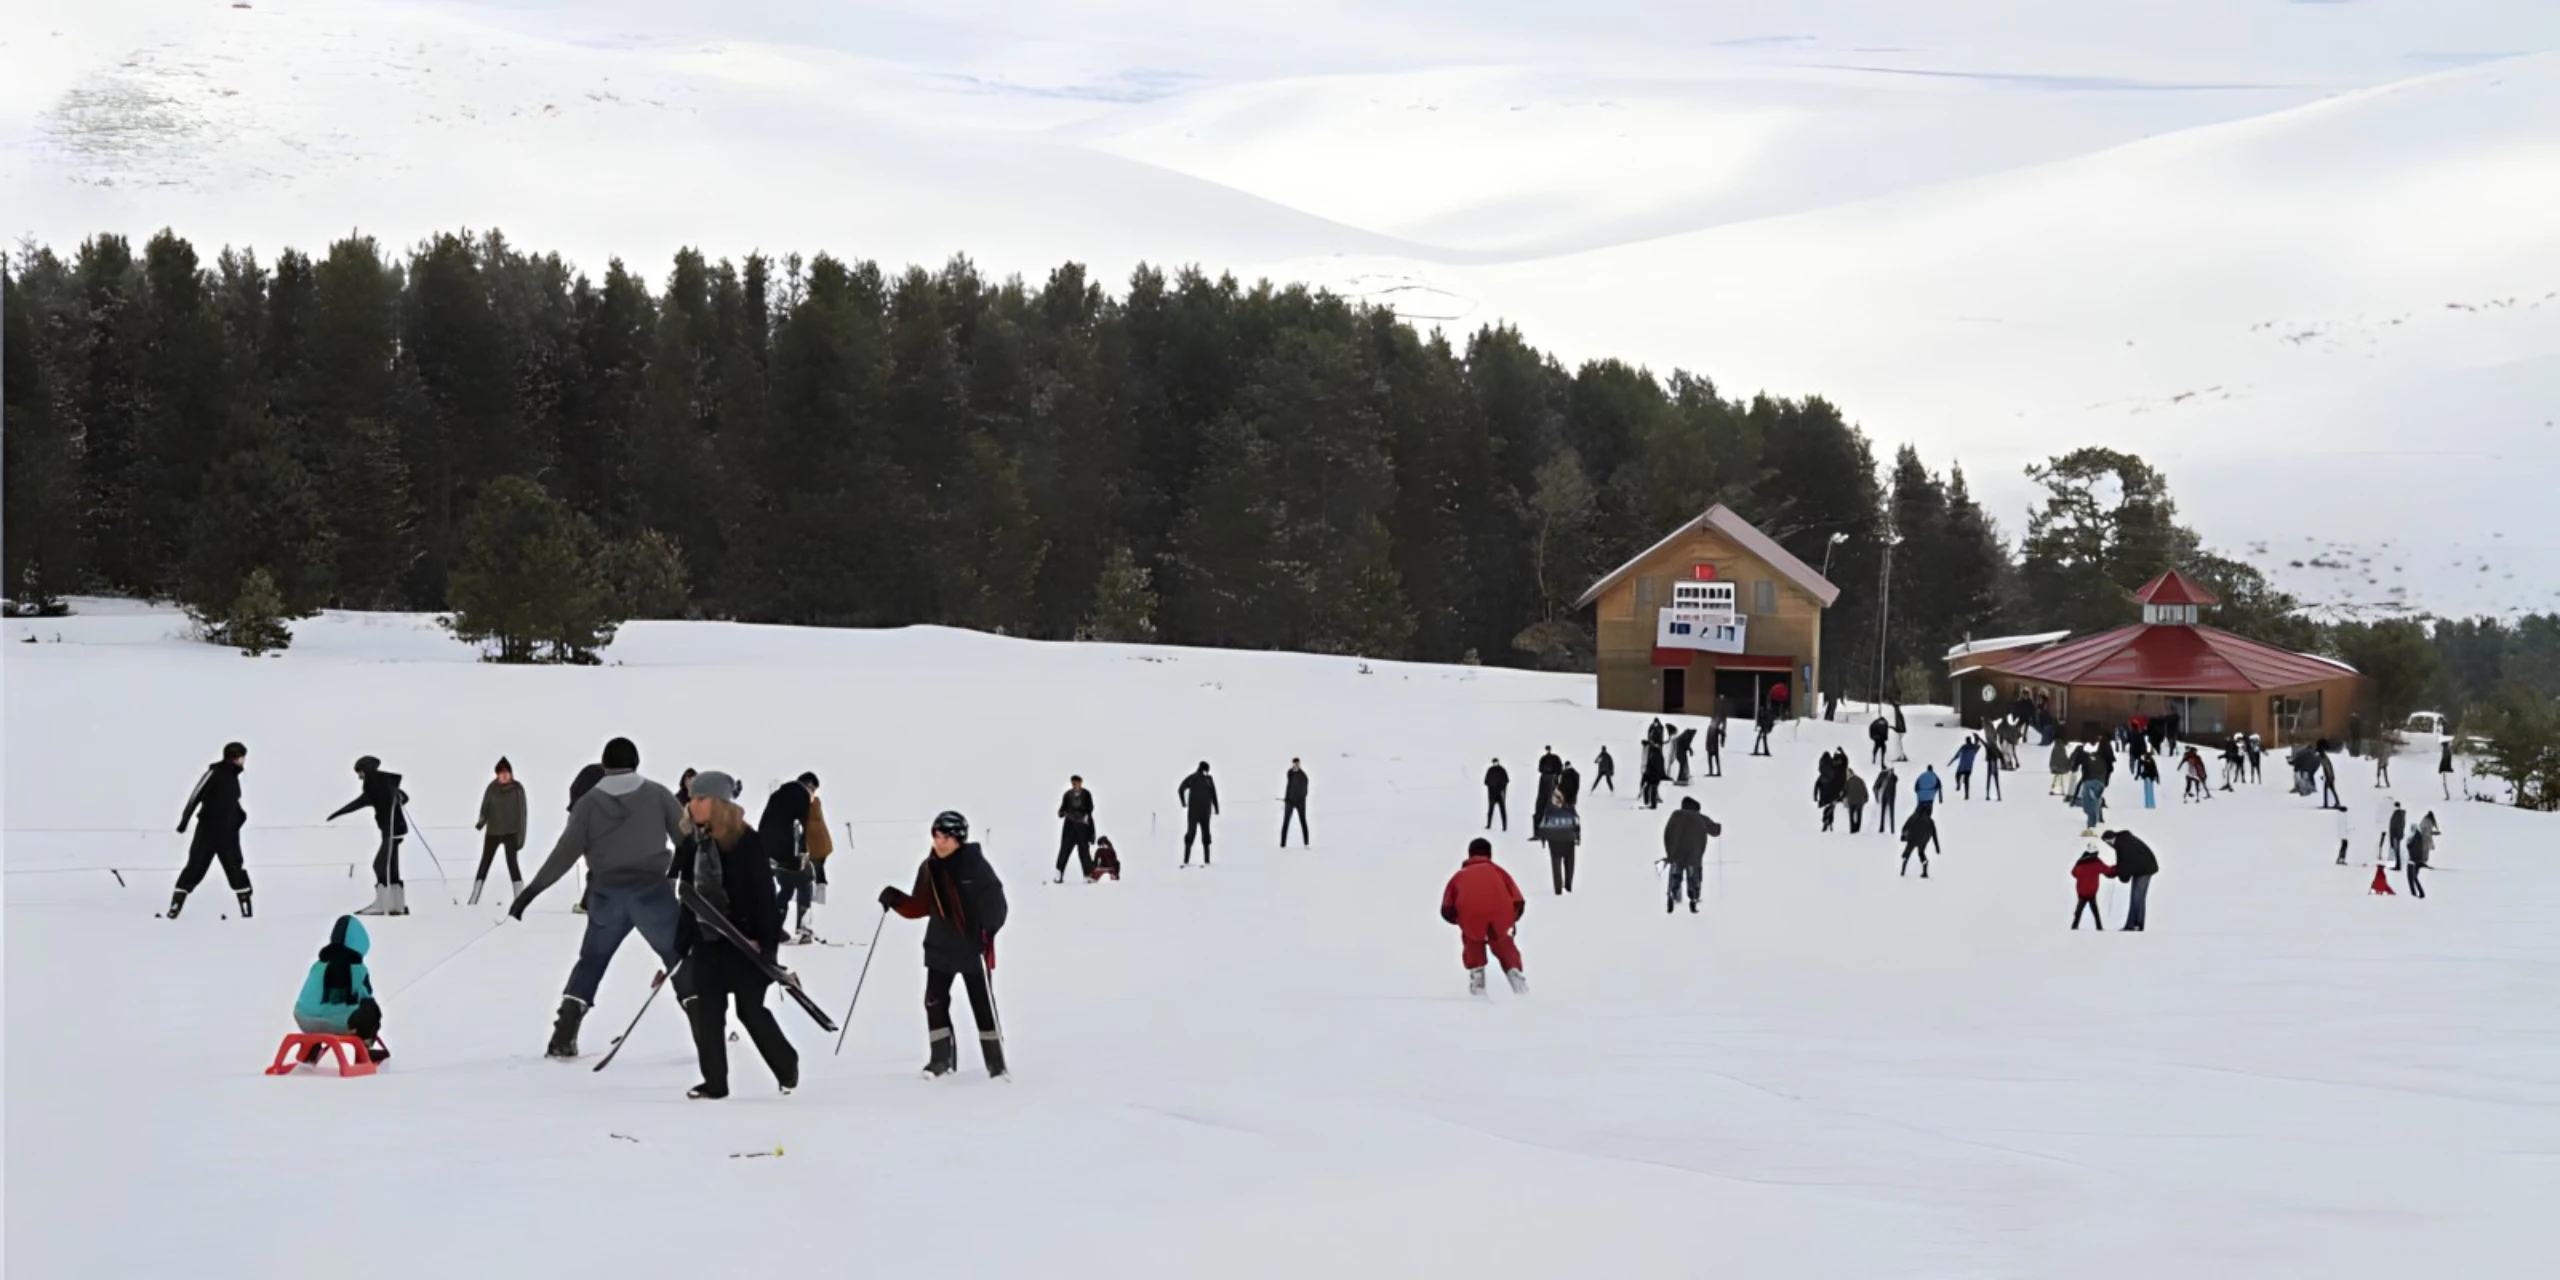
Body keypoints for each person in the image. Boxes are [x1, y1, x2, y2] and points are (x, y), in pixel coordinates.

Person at [512, 737, 688, 1059]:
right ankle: (707, 1030)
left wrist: (530, 893)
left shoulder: (588, 803)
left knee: (592, 960)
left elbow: (563, 855)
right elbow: (687, 843)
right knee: (679, 958)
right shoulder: (659, 794)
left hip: (607, 895)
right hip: (653, 893)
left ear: (605, 765)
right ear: (636, 762)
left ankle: (564, 1034)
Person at [671, 770, 797, 1100]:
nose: (692, 805)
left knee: (750, 1010)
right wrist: (679, 948)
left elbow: (764, 897)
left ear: (719, 804)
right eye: (692, 799)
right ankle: (715, 1083)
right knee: (708, 1012)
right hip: (707, 943)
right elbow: (686, 897)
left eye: (700, 799)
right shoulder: (691, 844)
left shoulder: (747, 842)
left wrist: (766, 945)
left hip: (745, 943)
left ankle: (787, 1066)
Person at [879, 811, 1009, 1079]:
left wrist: (988, 929)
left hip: (970, 947)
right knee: (934, 1003)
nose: (940, 842)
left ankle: (995, 1064)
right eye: (936, 835)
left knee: (981, 1006)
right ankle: (940, 1061)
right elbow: (920, 906)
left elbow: (996, 903)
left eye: (946, 837)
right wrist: (895, 899)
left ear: (959, 838)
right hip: (939, 946)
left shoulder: (975, 866)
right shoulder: (929, 868)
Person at [171, 742, 253, 920]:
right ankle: (174, 908)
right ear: (236, 757)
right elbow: (196, 795)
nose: (244, 760)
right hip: (207, 832)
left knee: (235, 870)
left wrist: (240, 817)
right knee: (194, 868)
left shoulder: (233, 778)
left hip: (228, 833)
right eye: (242, 756)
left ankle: (247, 913)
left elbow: (231, 804)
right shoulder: (214, 773)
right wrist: (184, 822)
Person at [291, 914, 388, 1064]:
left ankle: (310, 1048)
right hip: (340, 1022)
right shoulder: (357, 969)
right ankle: (365, 1049)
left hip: (305, 1020)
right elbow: (365, 996)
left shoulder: (318, 965)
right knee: (370, 1008)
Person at [1439, 838, 1526, 997]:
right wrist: (1511, 920)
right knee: (1504, 942)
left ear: (1470, 854)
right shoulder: (1499, 871)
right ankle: (1514, 973)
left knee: (1472, 940)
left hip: (1471, 917)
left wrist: (1460, 921)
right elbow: (1518, 900)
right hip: (1501, 916)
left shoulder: (1458, 876)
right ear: (1489, 854)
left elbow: (1446, 909)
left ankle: (1477, 976)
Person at [327, 756, 410, 917]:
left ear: (366, 770)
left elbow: (359, 802)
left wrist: (337, 813)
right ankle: (396, 905)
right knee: (391, 866)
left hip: (390, 831)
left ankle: (383, 904)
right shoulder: (386, 783)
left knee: (379, 866)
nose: (359, 778)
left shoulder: (374, 785)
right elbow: (405, 797)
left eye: (360, 773)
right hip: (396, 831)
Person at [760, 773, 832, 941]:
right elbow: (798, 826)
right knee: (805, 883)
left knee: (786, 887)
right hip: (788, 851)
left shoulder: (779, 795)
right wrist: (801, 854)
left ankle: (775, 928)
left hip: (770, 851)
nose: (813, 795)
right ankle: (803, 928)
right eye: (813, 790)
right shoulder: (801, 796)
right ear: (809, 786)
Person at [471, 758, 528, 906]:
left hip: (511, 832)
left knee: (512, 864)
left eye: (506, 772)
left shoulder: (517, 789)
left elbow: (523, 814)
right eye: (500, 773)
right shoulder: (492, 788)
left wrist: (521, 838)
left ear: (511, 773)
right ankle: (474, 897)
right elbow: (485, 806)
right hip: (493, 832)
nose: (503, 776)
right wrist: (481, 822)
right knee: (485, 863)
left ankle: (519, 899)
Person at [1661, 797, 1718, 913]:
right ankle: (1693, 898)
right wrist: (1718, 827)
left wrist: (1669, 852)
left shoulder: (1676, 815)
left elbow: (1668, 831)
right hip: (1694, 855)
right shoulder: (1700, 817)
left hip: (1676, 854)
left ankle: (1673, 894)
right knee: (1694, 878)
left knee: (1675, 875)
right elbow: (1715, 831)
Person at [2101, 830, 2157, 930]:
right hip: (2140, 869)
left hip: (2146, 869)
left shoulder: (2122, 844)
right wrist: (2119, 872)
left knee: (2137, 898)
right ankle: (2132, 924)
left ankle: (2136, 925)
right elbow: (2123, 863)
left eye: (2107, 842)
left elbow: (2126, 864)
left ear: (2111, 839)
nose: (2108, 844)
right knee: (2135, 897)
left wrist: (2120, 874)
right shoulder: (2122, 841)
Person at [1537, 794, 1580, 895]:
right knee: (1570, 863)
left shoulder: (1549, 809)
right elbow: (1576, 822)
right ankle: (1568, 886)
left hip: (1554, 840)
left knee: (1556, 864)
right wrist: (1577, 837)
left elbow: (1544, 824)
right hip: (1568, 839)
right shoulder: (1570, 808)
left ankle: (1558, 889)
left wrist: (1543, 838)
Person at [1179, 762, 1219, 866]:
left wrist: (1216, 807)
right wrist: (1183, 803)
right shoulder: (1194, 778)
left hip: (1205, 812)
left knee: (1206, 835)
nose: (1206, 773)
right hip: (1195, 812)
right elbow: (1181, 789)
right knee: (1191, 834)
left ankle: (1206, 861)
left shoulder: (1209, 780)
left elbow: (1214, 794)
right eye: (1206, 770)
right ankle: (1186, 860)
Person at [1058, 775, 1098, 878]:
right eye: (1073, 783)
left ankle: (1088, 874)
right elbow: (1063, 808)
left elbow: (1091, 807)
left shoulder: (1086, 794)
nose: (1075, 785)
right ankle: (1059, 874)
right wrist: (1061, 812)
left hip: (1082, 826)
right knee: (1065, 850)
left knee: (1084, 850)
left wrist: (1082, 814)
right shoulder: (1067, 795)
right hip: (1070, 826)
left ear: (1081, 783)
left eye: (1077, 783)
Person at [2070, 843, 2113, 930]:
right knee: (2095, 911)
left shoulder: (2080, 862)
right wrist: (2117, 869)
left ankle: (2074, 926)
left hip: (2081, 891)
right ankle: (2099, 927)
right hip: (2092, 892)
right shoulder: (2096, 863)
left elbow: (2074, 873)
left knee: (2079, 909)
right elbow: (2107, 870)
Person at [1898, 809, 1940, 878]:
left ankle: (1903, 871)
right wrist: (1937, 848)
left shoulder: (1914, 816)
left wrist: (1903, 837)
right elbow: (1934, 835)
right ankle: (1925, 871)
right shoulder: (1931, 821)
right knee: (1921, 853)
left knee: (1907, 852)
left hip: (1913, 838)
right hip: (1924, 839)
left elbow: (1905, 826)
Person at [1281, 759, 1311, 847]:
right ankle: (1282, 845)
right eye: (1294, 764)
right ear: (1292, 764)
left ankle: (1306, 844)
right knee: (1285, 822)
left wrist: (1298, 799)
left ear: (1300, 764)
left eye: (1297, 764)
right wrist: (1287, 798)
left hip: (1300, 803)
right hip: (1289, 802)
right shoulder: (1289, 772)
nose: (1296, 765)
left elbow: (1305, 792)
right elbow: (1289, 787)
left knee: (1303, 821)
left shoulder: (1303, 776)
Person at [2405, 813, 2435, 898]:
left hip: (2412, 861)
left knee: (2411, 878)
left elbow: (2409, 847)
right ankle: (2418, 893)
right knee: (2414, 877)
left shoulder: (2413, 837)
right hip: (2417, 860)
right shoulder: (2419, 836)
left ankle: (2415, 894)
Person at [1484, 758, 1510, 830]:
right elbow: (1486, 781)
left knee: (1503, 811)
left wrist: (1502, 788)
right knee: (1490, 811)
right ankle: (1488, 825)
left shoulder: (1502, 770)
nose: (1495, 763)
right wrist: (1491, 786)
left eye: (1496, 762)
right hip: (1492, 794)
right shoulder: (1490, 770)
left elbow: (1506, 781)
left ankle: (1504, 827)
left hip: (1500, 794)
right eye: (1494, 762)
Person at [1638, 742, 1666, 810]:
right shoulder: (1654, 751)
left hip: (1652, 773)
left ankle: (1650, 803)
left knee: (1651, 787)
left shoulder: (1652, 752)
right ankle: (1649, 802)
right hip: (1652, 773)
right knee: (1650, 787)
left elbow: (1651, 763)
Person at [1842, 766, 1869, 834]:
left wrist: (1841, 799)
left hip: (1851, 801)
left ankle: (1852, 830)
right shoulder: (1860, 780)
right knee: (1859, 814)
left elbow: (1844, 792)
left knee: (1851, 815)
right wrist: (1866, 799)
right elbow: (1865, 790)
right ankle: (1857, 829)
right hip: (1860, 801)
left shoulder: (1848, 782)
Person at [1875, 763, 1900, 834]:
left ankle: (1886, 828)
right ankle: (1887, 828)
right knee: (1887, 812)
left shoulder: (1887, 775)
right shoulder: (1888, 775)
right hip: (1889, 795)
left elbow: (1876, 786)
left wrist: (1876, 797)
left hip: (1887, 795)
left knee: (1887, 812)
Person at [2318, 744, 2342, 810]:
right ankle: (2337, 802)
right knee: (2332, 790)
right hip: (2331, 776)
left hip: (2329, 776)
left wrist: (2329, 777)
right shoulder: (2325, 757)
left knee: (2326, 790)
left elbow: (2327, 767)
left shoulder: (2323, 758)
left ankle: (2326, 804)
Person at [2385, 801, 2408, 871]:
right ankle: (2397, 865)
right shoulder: (2397, 814)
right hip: (2395, 835)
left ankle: (2398, 866)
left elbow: (2399, 826)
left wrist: (2397, 835)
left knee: (2397, 851)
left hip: (2396, 835)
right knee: (2396, 851)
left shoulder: (2398, 814)